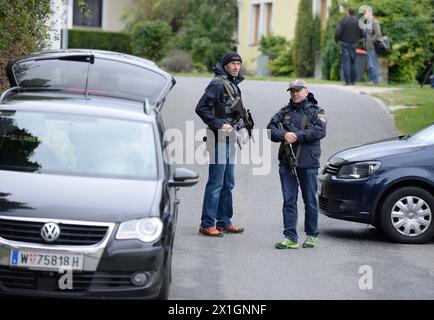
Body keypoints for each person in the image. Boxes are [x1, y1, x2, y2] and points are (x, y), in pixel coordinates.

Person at [267, 80, 326, 249]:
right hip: (287, 162)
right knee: (289, 201)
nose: (294, 93)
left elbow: (320, 131)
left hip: (308, 162)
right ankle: (290, 237)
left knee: (310, 200)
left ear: (306, 92)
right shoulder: (284, 112)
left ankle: (312, 234)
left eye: (298, 90)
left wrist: (298, 136)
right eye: (292, 91)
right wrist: (284, 135)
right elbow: (270, 129)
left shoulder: (317, 111)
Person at [195, 52, 246, 237]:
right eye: (232, 63)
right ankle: (207, 224)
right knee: (216, 182)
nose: (236, 67)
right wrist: (218, 124)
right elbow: (201, 108)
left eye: (239, 63)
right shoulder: (217, 84)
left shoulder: (233, 84)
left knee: (228, 182)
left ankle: (224, 222)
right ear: (225, 65)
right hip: (218, 139)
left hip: (231, 139)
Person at [335, 7, 363, 85]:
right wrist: (357, 39)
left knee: (346, 62)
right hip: (354, 44)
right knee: (353, 62)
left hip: (345, 43)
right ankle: (353, 80)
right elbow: (362, 33)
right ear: (354, 12)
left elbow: (337, 32)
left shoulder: (344, 21)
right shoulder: (358, 21)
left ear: (348, 12)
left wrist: (337, 40)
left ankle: (348, 81)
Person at [363, 7, 382, 84]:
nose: (364, 15)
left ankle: (374, 80)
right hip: (368, 47)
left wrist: (371, 41)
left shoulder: (374, 22)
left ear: (370, 13)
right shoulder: (368, 23)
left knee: (373, 64)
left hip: (373, 47)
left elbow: (378, 33)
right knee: (370, 64)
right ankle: (371, 80)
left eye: (365, 13)